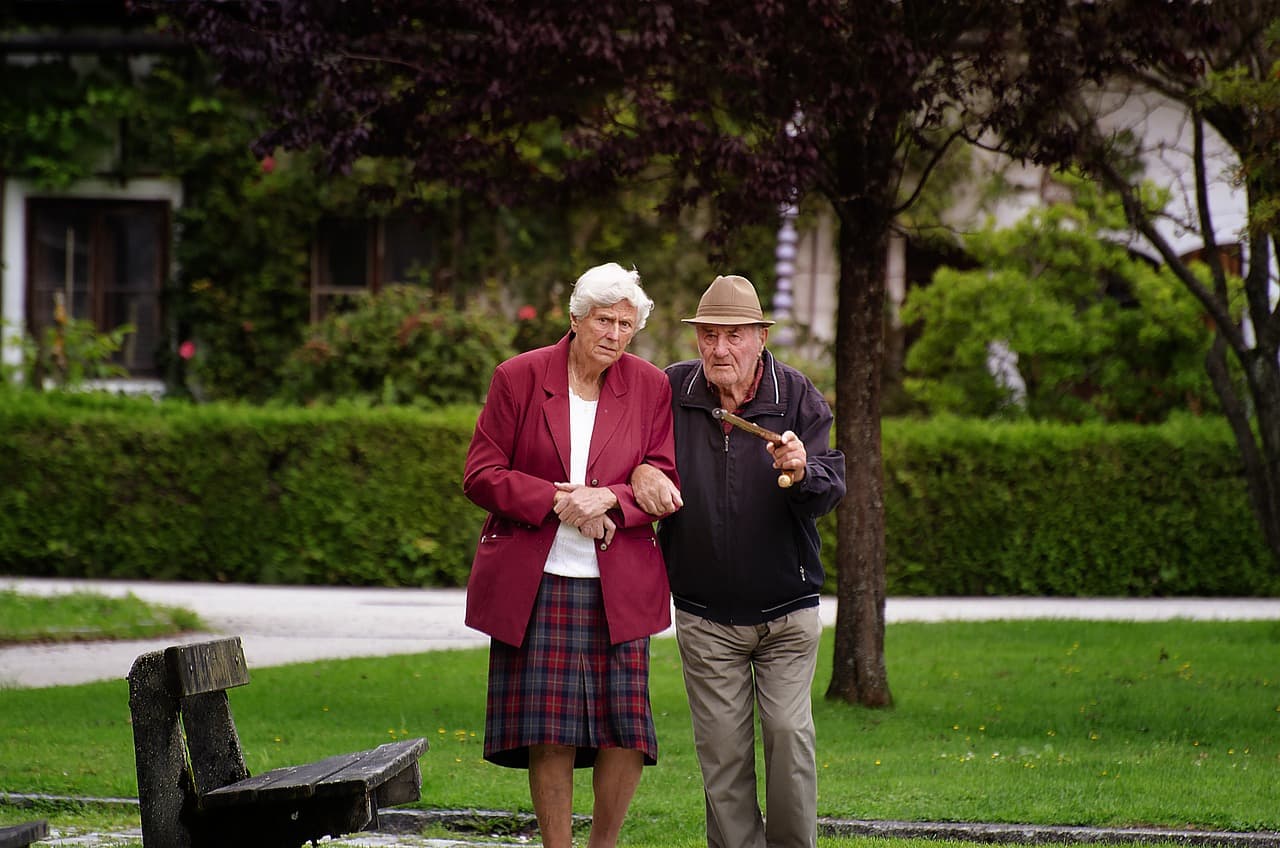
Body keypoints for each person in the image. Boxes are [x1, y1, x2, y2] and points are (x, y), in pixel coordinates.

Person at [462, 262, 680, 848]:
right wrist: (560, 501)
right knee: (550, 732)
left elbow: (663, 479)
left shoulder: (650, 386)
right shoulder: (519, 377)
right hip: (538, 581)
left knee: (626, 733)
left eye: (626, 325)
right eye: (605, 321)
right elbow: (481, 475)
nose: (615, 334)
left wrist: (611, 498)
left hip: (619, 581)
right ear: (577, 318)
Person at [632, 274, 846, 848]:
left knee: (788, 736)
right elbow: (631, 450)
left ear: (760, 337)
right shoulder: (671, 391)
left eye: (734, 335)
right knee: (723, 759)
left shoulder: (796, 396)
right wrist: (642, 470)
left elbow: (829, 488)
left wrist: (802, 471)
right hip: (705, 616)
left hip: (786, 612)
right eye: (709, 335)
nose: (720, 348)